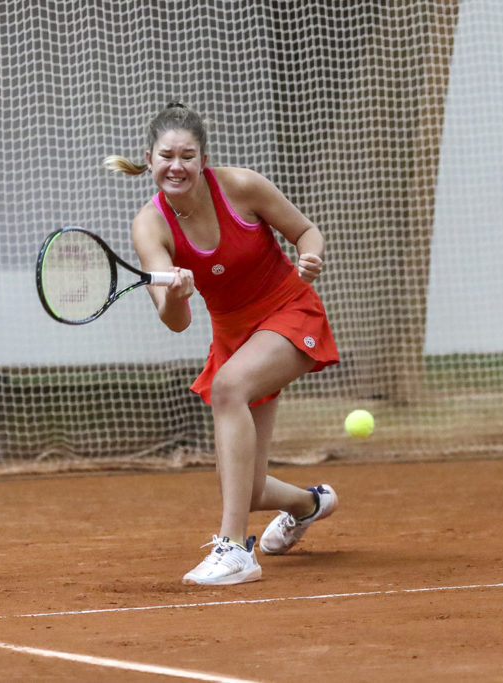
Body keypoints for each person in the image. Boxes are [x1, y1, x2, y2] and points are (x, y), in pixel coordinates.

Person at [104, 102, 340, 586]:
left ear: (203, 159)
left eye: (187, 156)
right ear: (148, 160)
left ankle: (236, 551)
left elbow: (306, 231)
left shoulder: (242, 187)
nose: (177, 166)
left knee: (229, 389)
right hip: (233, 335)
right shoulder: (149, 227)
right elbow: (175, 321)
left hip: (288, 312)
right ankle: (310, 504)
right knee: (245, 487)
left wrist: (310, 256)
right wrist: (173, 294)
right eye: (166, 156)